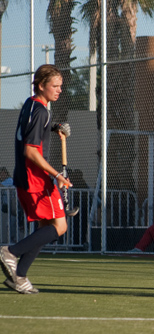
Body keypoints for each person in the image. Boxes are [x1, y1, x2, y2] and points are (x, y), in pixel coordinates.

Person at [0, 64, 72, 294]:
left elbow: (33, 129)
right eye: (55, 86)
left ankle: (18, 277)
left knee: (45, 226)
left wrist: (54, 127)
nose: (59, 90)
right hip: (36, 179)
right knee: (60, 226)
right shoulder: (41, 110)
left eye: (61, 86)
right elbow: (31, 151)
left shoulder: (32, 104)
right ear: (41, 85)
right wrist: (57, 174)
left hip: (27, 177)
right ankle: (10, 252)